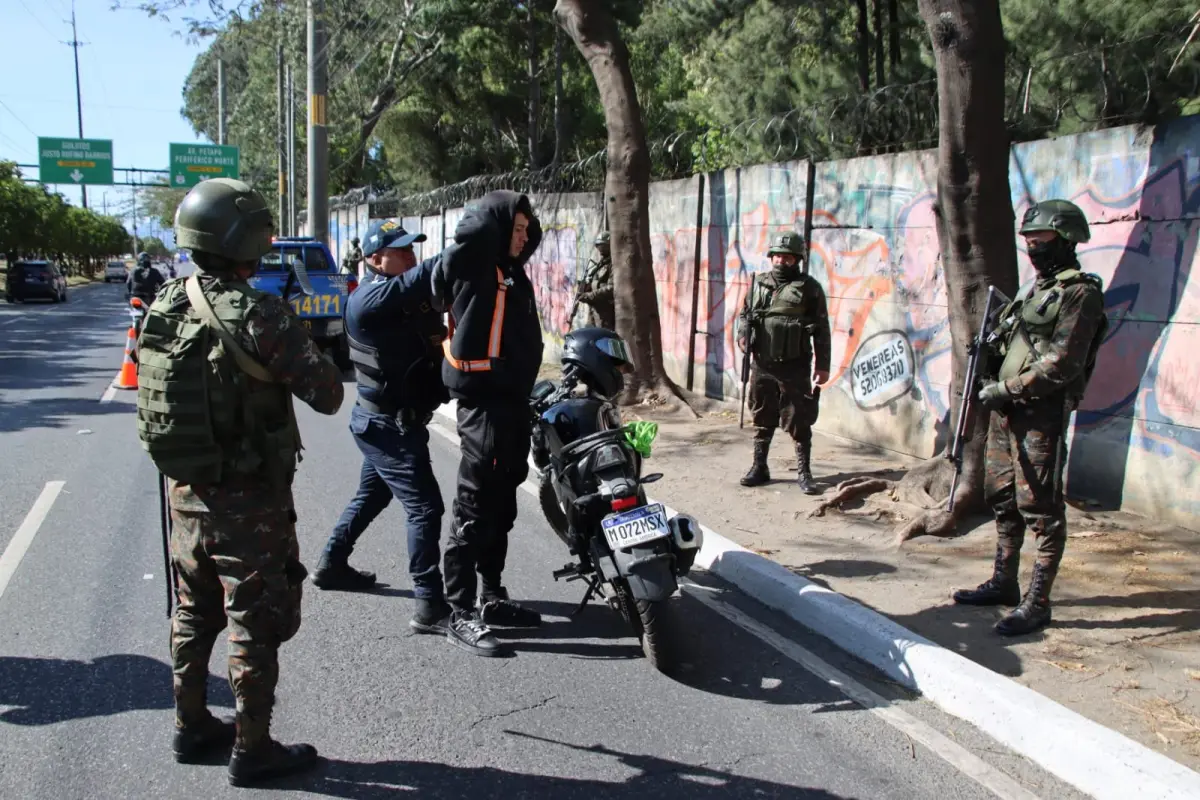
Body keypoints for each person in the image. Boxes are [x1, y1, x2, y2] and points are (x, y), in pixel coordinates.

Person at [135, 178, 344, 786]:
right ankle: (253, 748)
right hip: (248, 498)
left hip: (185, 491)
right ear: (247, 241)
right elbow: (328, 394)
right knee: (253, 617)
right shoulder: (259, 313)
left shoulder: (166, 302)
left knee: (193, 610)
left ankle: (192, 725)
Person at [953, 199, 1107, 637]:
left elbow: (1062, 364)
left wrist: (1004, 388)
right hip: (1007, 413)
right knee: (1002, 496)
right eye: (1030, 243)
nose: (1035, 250)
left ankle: (1037, 603)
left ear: (1068, 240)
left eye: (1042, 242)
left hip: (1041, 415)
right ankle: (1004, 582)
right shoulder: (1032, 291)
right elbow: (1016, 345)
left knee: (1040, 507)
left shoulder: (1081, 293)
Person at [313, 219, 455, 635]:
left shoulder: (404, 298)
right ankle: (429, 603)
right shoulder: (370, 299)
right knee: (425, 508)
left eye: (413, 250)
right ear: (375, 259)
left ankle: (331, 563)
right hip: (387, 425)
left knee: (372, 495)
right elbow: (428, 276)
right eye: (402, 251)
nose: (412, 258)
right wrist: (473, 238)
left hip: (389, 422)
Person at [431, 190, 545, 657]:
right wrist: (497, 219)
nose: (523, 237)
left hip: (514, 402)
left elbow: (528, 235)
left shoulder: (514, 273)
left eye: (525, 229)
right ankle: (457, 610)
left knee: (503, 507)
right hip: (482, 404)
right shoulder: (474, 267)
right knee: (474, 508)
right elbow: (466, 242)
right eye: (514, 229)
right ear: (496, 230)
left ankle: (492, 595)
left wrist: (521, 224)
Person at [737, 232, 831, 494]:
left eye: (787, 257)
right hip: (762, 364)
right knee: (762, 415)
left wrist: (823, 366)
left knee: (799, 419)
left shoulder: (809, 288)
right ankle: (760, 467)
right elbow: (744, 315)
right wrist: (743, 336)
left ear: (797, 259)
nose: (781, 261)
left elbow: (822, 329)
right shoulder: (758, 283)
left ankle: (805, 472)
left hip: (795, 365)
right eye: (777, 256)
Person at [577, 232, 614, 330]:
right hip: (594, 310)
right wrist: (585, 287)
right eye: (599, 246)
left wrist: (590, 295)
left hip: (605, 312)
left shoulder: (613, 264)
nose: (601, 249)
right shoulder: (600, 263)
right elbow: (595, 282)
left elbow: (611, 288)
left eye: (604, 246)